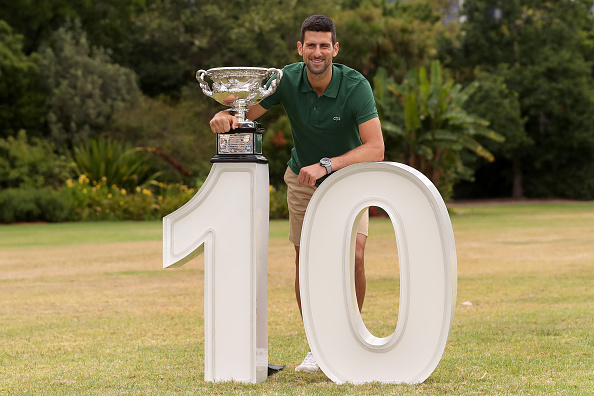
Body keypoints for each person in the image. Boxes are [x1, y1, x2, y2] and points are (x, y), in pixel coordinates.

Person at [208, 14, 384, 373]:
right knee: (307, 262)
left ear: (335, 49)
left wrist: (328, 164)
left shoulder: (355, 86)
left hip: (348, 178)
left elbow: (375, 148)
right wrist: (225, 116)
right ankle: (318, 345)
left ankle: (350, 339)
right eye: (311, 45)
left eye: (324, 45)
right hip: (302, 181)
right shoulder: (285, 79)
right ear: (300, 48)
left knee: (355, 257)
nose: (317, 52)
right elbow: (245, 114)